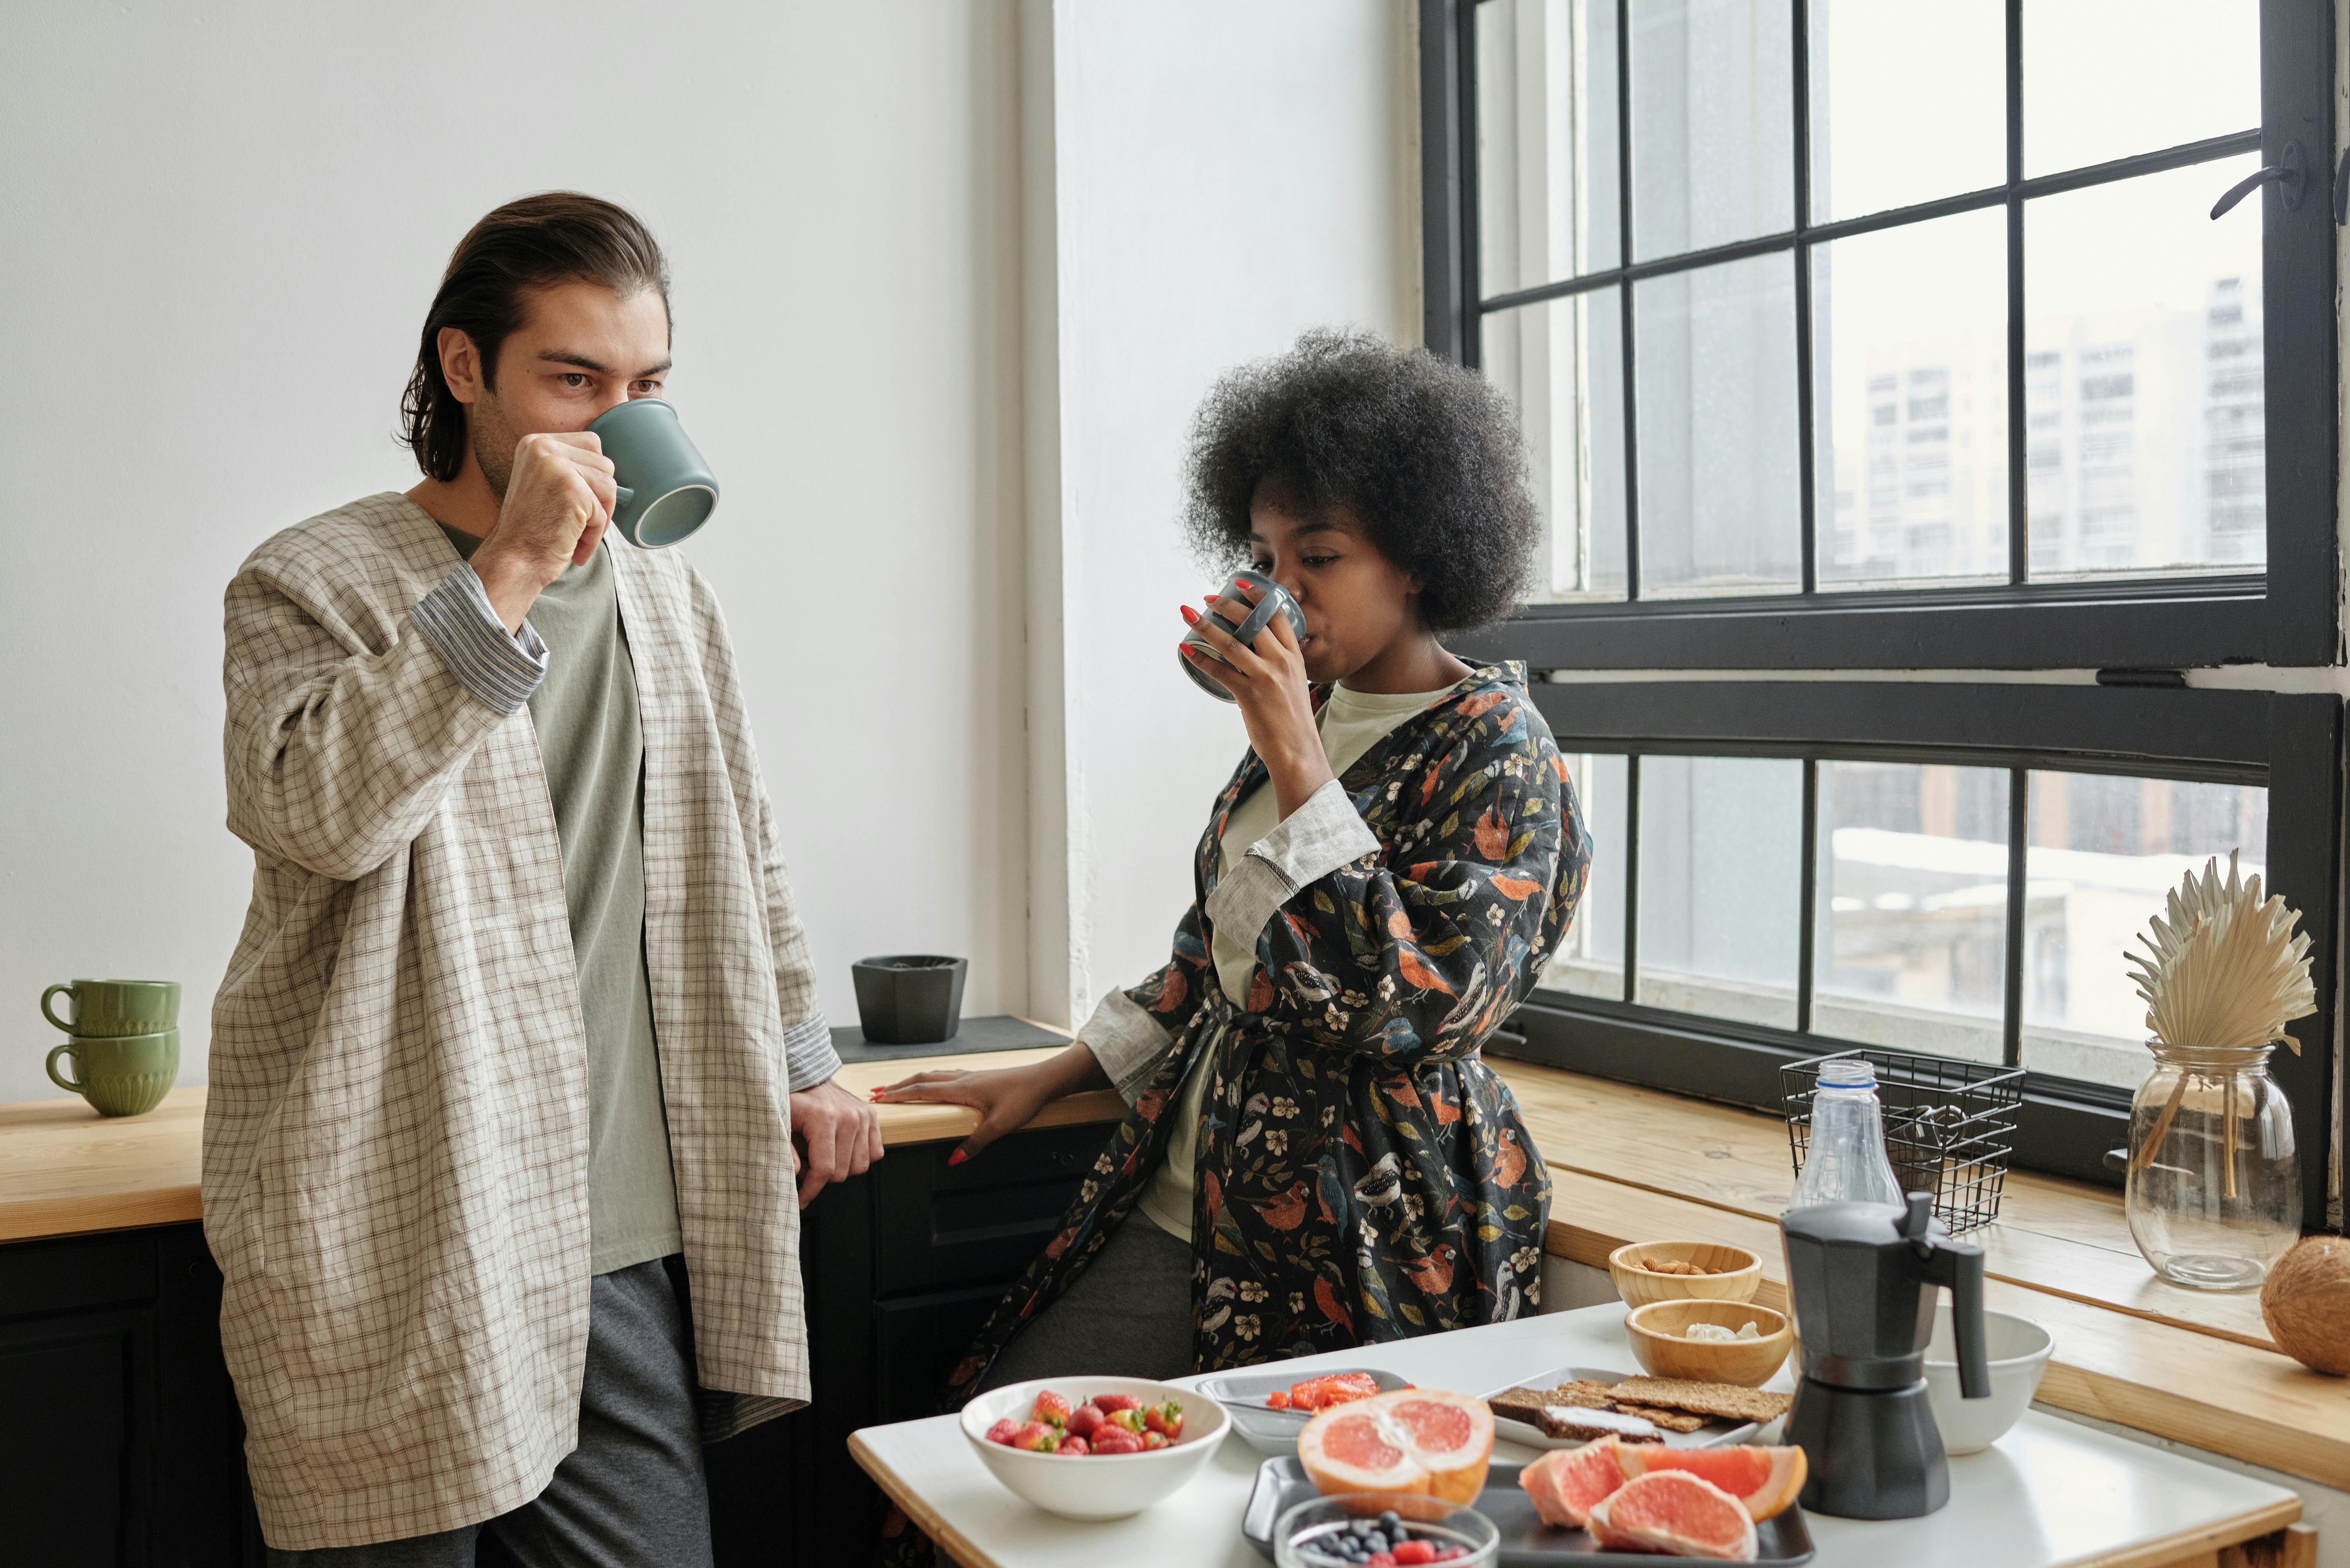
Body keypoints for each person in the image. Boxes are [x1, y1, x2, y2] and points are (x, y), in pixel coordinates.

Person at [205, 192, 880, 1566]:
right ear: (466, 369)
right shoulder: (308, 580)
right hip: (404, 1228)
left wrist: (805, 1054)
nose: (613, 416)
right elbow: (322, 815)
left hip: (622, 1231)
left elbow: (739, 835)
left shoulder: (666, 593)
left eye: (645, 385)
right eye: (574, 379)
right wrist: (509, 567)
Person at [877, 329, 1590, 1401]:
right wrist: (1060, 1068)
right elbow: (1214, 948)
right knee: (1008, 1433)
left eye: (1321, 556)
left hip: (1370, 1230)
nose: (1283, 588)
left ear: (1421, 555)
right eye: (1265, 558)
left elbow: (1424, 1004)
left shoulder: (1497, 747)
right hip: (1197, 1197)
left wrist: (1294, 751)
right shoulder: (1308, 710)